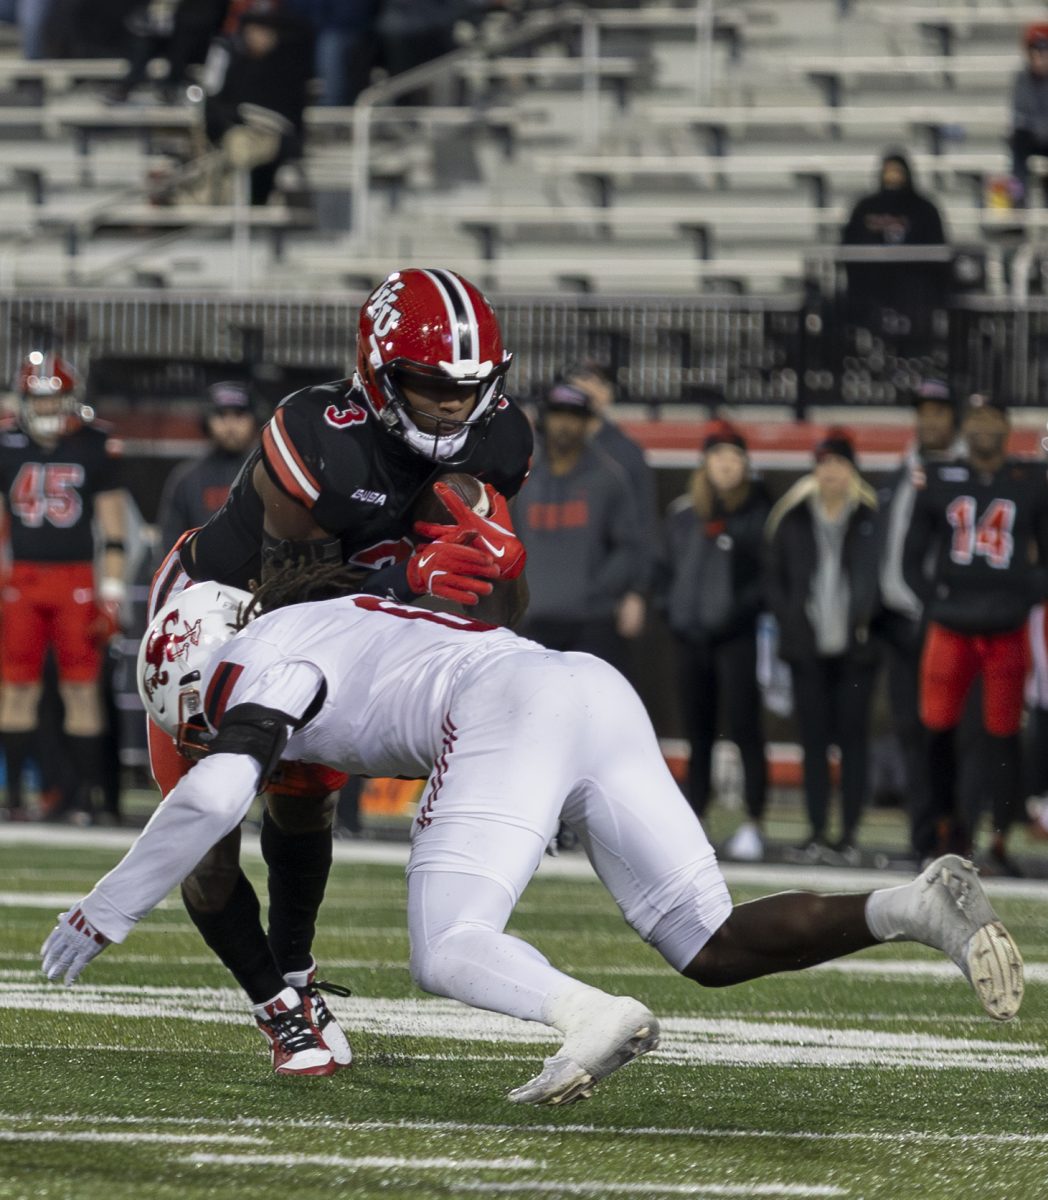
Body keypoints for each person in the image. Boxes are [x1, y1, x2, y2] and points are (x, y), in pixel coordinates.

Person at [41, 575, 1024, 1105]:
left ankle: (589, 1014)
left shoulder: (250, 663)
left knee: (447, 945)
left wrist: (107, 906)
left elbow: (217, 792)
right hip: (586, 683)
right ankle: (914, 905)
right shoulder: (316, 615)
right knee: (709, 944)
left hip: (504, 708)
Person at [146, 266, 533, 1075]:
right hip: (222, 621)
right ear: (380, 372)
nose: (453, 406)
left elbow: (500, 611)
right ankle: (274, 1005)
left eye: (469, 387)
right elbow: (290, 601)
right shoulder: (316, 430)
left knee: (303, 813)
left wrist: (504, 562)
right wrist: (410, 580)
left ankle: (294, 972)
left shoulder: (501, 442)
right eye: (429, 386)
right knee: (206, 839)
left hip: (347, 634)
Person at [903, 394, 1048, 873]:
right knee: (936, 730)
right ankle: (946, 827)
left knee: (1003, 735)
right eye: (976, 419)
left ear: (1008, 427)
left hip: (1005, 630)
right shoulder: (941, 478)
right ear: (966, 429)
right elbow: (911, 553)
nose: (984, 427)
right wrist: (934, 598)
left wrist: (1024, 594)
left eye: (992, 419)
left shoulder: (1031, 480)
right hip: (952, 628)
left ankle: (999, 836)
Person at [0, 352, 127, 823]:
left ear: (70, 400)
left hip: (76, 577)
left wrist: (111, 593)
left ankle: (85, 798)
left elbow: (114, 530)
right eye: (39, 399)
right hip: (23, 578)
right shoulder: (6, 442)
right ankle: (13, 796)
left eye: (55, 400)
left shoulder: (95, 444)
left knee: (81, 688)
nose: (48, 409)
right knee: (16, 688)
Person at [765, 428, 881, 864]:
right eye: (825, 463)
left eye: (839, 463)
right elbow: (774, 578)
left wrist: (868, 622)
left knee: (854, 742)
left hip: (857, 648)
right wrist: (791, 622)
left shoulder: (870, 517)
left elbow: (880, 577)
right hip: (807, 647)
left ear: (852, 469)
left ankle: (848, 835)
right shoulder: (792, 518)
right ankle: (816, 830)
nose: (831, 471)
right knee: (813, 742)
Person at [659, 420, 770, 860]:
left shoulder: (757, 513)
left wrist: (737, 612)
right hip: (692, 638)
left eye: (734, 456)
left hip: (738, 637)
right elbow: (664, 570)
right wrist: (672, 610)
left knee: (745, 730)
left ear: (745, 464)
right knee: (697, 733)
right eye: (718, 455)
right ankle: (696, 819)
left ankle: (753, 822)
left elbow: (765, 576)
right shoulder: (684, 514)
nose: (725, 464)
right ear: (705, 462)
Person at [876, 380, 965, 864]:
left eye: (939, 411)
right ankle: (920, 835)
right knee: (909, 729)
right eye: (923, 411)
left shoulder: (965, 471)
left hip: (949, 619)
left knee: (950, 731)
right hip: (899, 620)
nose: (929, 420)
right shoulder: (899, 471)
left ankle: (954, 831)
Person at [516, 380, 645, 671]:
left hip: (592, 622)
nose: (564, 424)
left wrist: (599, 589)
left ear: (587, 423)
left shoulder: (609, 478)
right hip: (534, 619)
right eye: (557, 414)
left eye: (573, 416)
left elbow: (629, 545)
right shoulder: (524, 480)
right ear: (544, 420)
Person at [561, 361, 658, 655]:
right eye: (578, 384)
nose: (585, 392)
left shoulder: (625, 454)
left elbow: (644, 525)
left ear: (608, 395)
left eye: (594, 384)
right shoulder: (549, 447)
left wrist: (637, 592)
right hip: (554, 594)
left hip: (605, 599)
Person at [203, 0, 315, 206]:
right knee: (234, 147)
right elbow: (215, 106)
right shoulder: (235, 67)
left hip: (275, 142)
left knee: (252, 155)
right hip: (239, 135)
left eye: (265, 31)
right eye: (253, 30)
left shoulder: (287, 69)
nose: (258, 37)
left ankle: (252, 208)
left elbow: (291, 121)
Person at [841, 150, 948, 339]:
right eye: (888, 171)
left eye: (897, 171)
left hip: (913, 289)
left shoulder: (924, 209)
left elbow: (938, 250)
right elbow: (849, 246)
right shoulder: (866, 207)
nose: (893, 177)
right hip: (872, 289)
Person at [157, 380, 260, 553]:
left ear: (254, 420)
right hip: (202, 578)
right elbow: (170, 545)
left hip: (258, 577)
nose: (230, 425)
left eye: (239, 415)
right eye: (221, 415)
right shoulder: (186, 478)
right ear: (206, 421)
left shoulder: (269, 473)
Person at [1009, 22, 1048, 206]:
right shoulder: (1022, 79)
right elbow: (1021, 114)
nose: (1040, 56)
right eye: (1036, 50)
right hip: (1032, 136)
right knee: (1017, 142)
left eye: (1044, 50)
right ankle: (1018, 203)